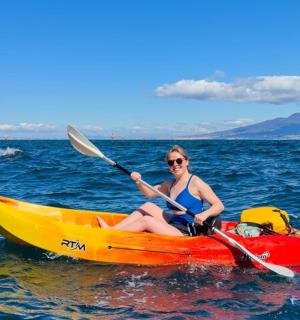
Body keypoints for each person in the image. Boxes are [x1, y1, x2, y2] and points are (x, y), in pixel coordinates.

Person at [97, 145, 224, 236]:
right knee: (148, 206)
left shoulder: (196, 182)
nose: (175, 164)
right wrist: (138, 181)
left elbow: (219, 206)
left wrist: (204, 215)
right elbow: (149, 193)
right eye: (171, 162)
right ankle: (112, 229)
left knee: (147, 221)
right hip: (174, 222)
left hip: (188, 230)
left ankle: (112, 236)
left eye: (179, 160)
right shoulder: (169, 184)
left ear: (186, 162)